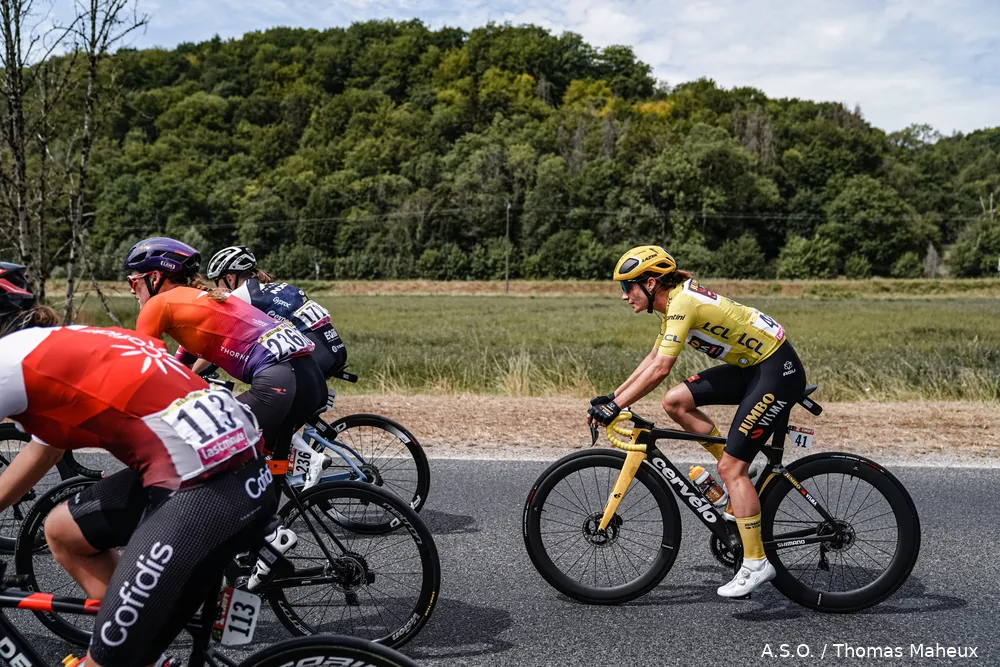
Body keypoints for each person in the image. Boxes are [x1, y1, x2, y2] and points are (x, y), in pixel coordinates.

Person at [0, 261, 277, 667]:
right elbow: (43, 451)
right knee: (62, 531)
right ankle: (144, 644)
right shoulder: (57, 344)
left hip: (203, 487)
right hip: (235, 467)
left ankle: (128, 650)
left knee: (107, 663)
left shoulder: (8, 360)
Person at [586, 245, 806, 598]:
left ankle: (756, 562)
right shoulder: (672, 304)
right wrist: (613, 399)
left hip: (775, 370)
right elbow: (654, 357)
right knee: (675, 402)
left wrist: (616, 406)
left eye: (627, 287)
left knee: (733, 470)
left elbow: (661, 369)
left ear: (651, 283)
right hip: (753, 367)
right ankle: (732, 468)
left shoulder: (682, 305)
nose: (624, 296)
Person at [123, 237, 327, 456]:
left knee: (201, 453)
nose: (133, 290)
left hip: (278, 383)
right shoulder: (204, 299)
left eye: (133, 282)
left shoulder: (158, 304)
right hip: (311, 381)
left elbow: (139, 367)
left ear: (154, 277)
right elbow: (181, 366)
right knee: (257, 464)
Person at [205, 246, 347, 378]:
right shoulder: (280, 287)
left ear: (229, 278)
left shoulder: (242, 294)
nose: (218, 287)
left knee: (264, 387)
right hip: (334, 348)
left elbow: (218, 339)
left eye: (218, 281)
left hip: (315, 354)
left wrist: (193, 372)